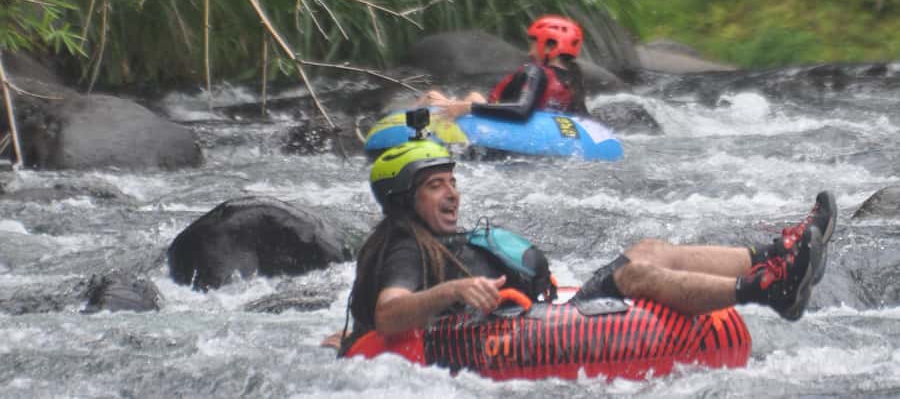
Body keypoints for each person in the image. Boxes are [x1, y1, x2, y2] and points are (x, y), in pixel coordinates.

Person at [338, 135, 837, 347]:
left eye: (452, 181)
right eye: (435, 185)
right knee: (636, 274)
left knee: (650, 248)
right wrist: (453, 290)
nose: (452, 193)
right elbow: (389, 313)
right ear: (404, 201)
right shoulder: (405, 245)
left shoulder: (434, 236)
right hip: (533, 329)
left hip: (545, 311)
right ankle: (764, 291)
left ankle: (776, 256)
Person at [423, 14, 589, 121]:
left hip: (500, 121)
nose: (530, 52)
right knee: (474, 95)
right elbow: (583, 117)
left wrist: (467, 107)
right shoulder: (573, 78)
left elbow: (521, 110)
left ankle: (411, 131)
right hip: (535, 124)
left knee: (431, 96)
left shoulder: (535, 72)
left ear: (550, 47)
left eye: (533, 45)